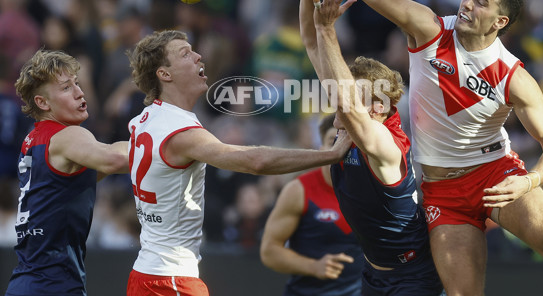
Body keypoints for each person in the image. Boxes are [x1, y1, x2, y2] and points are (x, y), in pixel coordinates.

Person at [278, 0, 543, 296]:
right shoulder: (428, 28)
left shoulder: (512, 76)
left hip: (495, 174)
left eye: (481, 1)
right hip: (442, 191)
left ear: (500, 22)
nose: (466, 4)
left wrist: (529, 181)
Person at [125, 29, 351, 295]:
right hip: (170, 280)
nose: (199, 56)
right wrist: (330, 154)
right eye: (185, 54)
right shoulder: (180, 131)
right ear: (164, 74)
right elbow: (254, 161)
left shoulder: (144, 120)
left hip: (145, 273)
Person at [296, 0, 443, 295]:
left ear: (379, 108)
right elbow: (310, 43)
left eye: (353, 95)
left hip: (413, 275)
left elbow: (348, 106)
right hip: (374, 274)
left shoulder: (386, 143)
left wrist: (327, 28)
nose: (340, 97)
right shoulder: (352, 122)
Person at [5, 49, 129, 296]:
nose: (80, 92)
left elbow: (76, 182)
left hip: (26, 282)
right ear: (42, 102)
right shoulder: (67, 135)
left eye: (77, 83)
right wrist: (159, 137)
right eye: (65, 88)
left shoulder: (33, 139)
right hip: (53, 286)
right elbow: (116, 160)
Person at [260, 114, 363, 296]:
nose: (341, 147)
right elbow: (269, 251)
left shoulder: (371, 192)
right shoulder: (299, 190)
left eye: (348, 141)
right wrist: (314, 266)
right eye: (333, 140)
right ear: (320, 147)